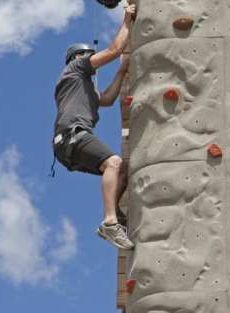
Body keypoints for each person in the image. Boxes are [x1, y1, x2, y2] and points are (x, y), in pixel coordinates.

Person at [52, 4, 136, 249]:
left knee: (125, 169)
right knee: (114, 163)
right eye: (88, 56)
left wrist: (122, 70)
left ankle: (115, 215)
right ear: (78, 58)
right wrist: (127, 21)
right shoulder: (74, 70)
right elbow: (114, 49)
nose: (91, 60)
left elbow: (107, 99)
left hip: (68, 145)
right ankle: (110, 222)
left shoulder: (83, 88)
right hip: (71, 136)